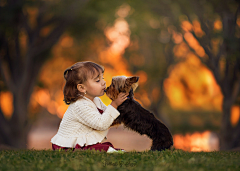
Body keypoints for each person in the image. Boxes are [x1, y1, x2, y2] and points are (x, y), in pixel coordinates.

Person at [51, 61, 128, 153]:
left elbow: (107, 116)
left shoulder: (96, 100)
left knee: (104, 146)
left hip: (81, 142)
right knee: (100, 149)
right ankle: (110, 151)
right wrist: (114, 104)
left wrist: (122, 109)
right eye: (97, 80)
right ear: (82, 88)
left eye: (102, 78)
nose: (104, 82)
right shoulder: (79, 105)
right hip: (67, 145)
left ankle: (111, 150)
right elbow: (101, 124)